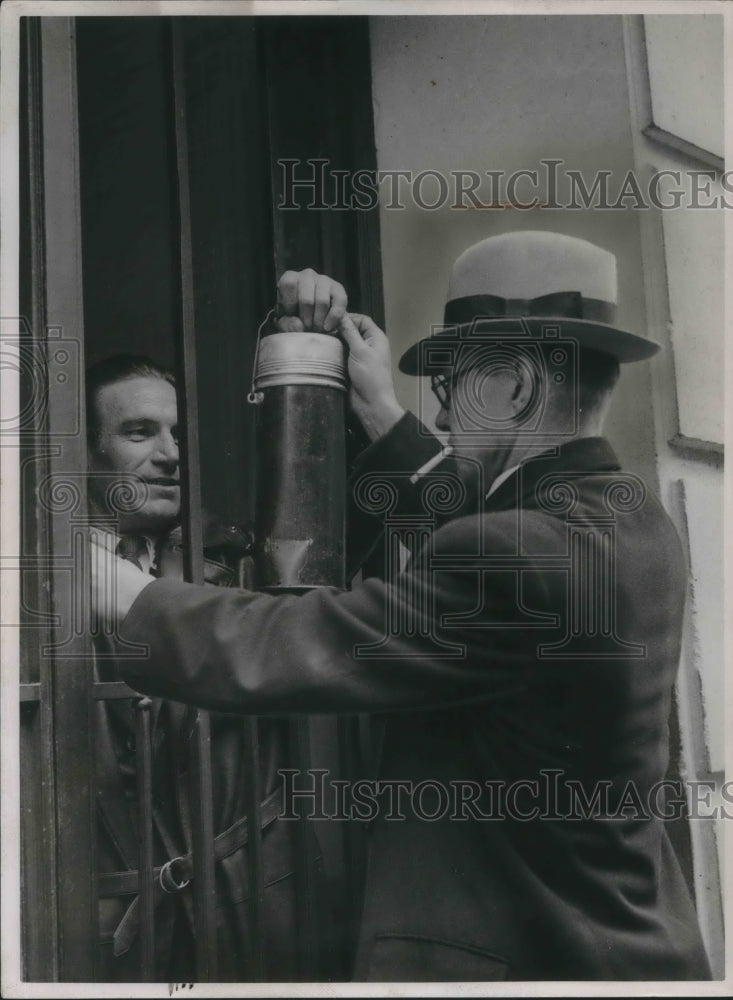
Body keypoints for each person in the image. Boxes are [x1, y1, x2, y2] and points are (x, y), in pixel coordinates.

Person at [93, 232, 712, 981]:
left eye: (448, 389)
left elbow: (296, 644)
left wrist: (113, 587)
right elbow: (497, 542)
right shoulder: (634, 524)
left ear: (515, 387)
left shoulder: (517, 557)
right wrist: (381, 411)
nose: (443, 421)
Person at [86, 354, 333, 982]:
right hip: (114, 925)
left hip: (253, 901)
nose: (170, 455)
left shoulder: (239, 560)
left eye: (177, 434)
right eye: (139, 432)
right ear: (83, 454)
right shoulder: (33, 589)